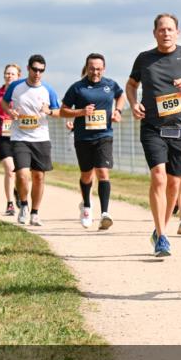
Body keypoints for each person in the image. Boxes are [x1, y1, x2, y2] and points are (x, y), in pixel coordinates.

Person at [127, 13, 181, 257]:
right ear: (155, 33)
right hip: (152, 127)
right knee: (159, 177)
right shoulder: (144, 59)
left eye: (170, 29)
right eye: (162, 29)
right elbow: (131, 85)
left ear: (177, 32)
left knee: (174, 182)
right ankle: (162, 237)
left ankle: (161, 228)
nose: (166, 33)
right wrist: (133, 103)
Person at [60, 53, 124, 230]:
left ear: (103, 69)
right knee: (87, 175)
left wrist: (118, 111)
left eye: (98, 69)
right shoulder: (77, 88)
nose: (95, 72)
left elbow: (121, 95)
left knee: (103, 172)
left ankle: (105, 214)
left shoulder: (110, 85)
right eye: (92, 68)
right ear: (86, 68)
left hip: (104, 135)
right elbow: (63, 110)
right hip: (83, 137)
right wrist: (80, 112)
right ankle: (87, 206)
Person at [0, 54, 60, 226]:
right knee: (21, 174)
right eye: (35, 69)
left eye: (41, 70)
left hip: (41, 138)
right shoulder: (16, 86)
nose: (37, 73)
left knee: (39, 177)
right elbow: (4, 103)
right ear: (28, 68)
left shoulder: (48, 90)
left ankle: (35, 212)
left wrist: (48, 111)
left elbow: (58, 112)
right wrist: (10, 112)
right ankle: (24, 205)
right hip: (20, 137)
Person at [0, 64, 21, 215]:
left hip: (20, 135)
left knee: (21, 172)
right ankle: (10, 204)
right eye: (7, 73)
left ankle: (18, 191)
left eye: (12, 74)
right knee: (9, 170)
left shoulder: (22, 93)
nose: (9, 76)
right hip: (2, 135)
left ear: (18, 76)